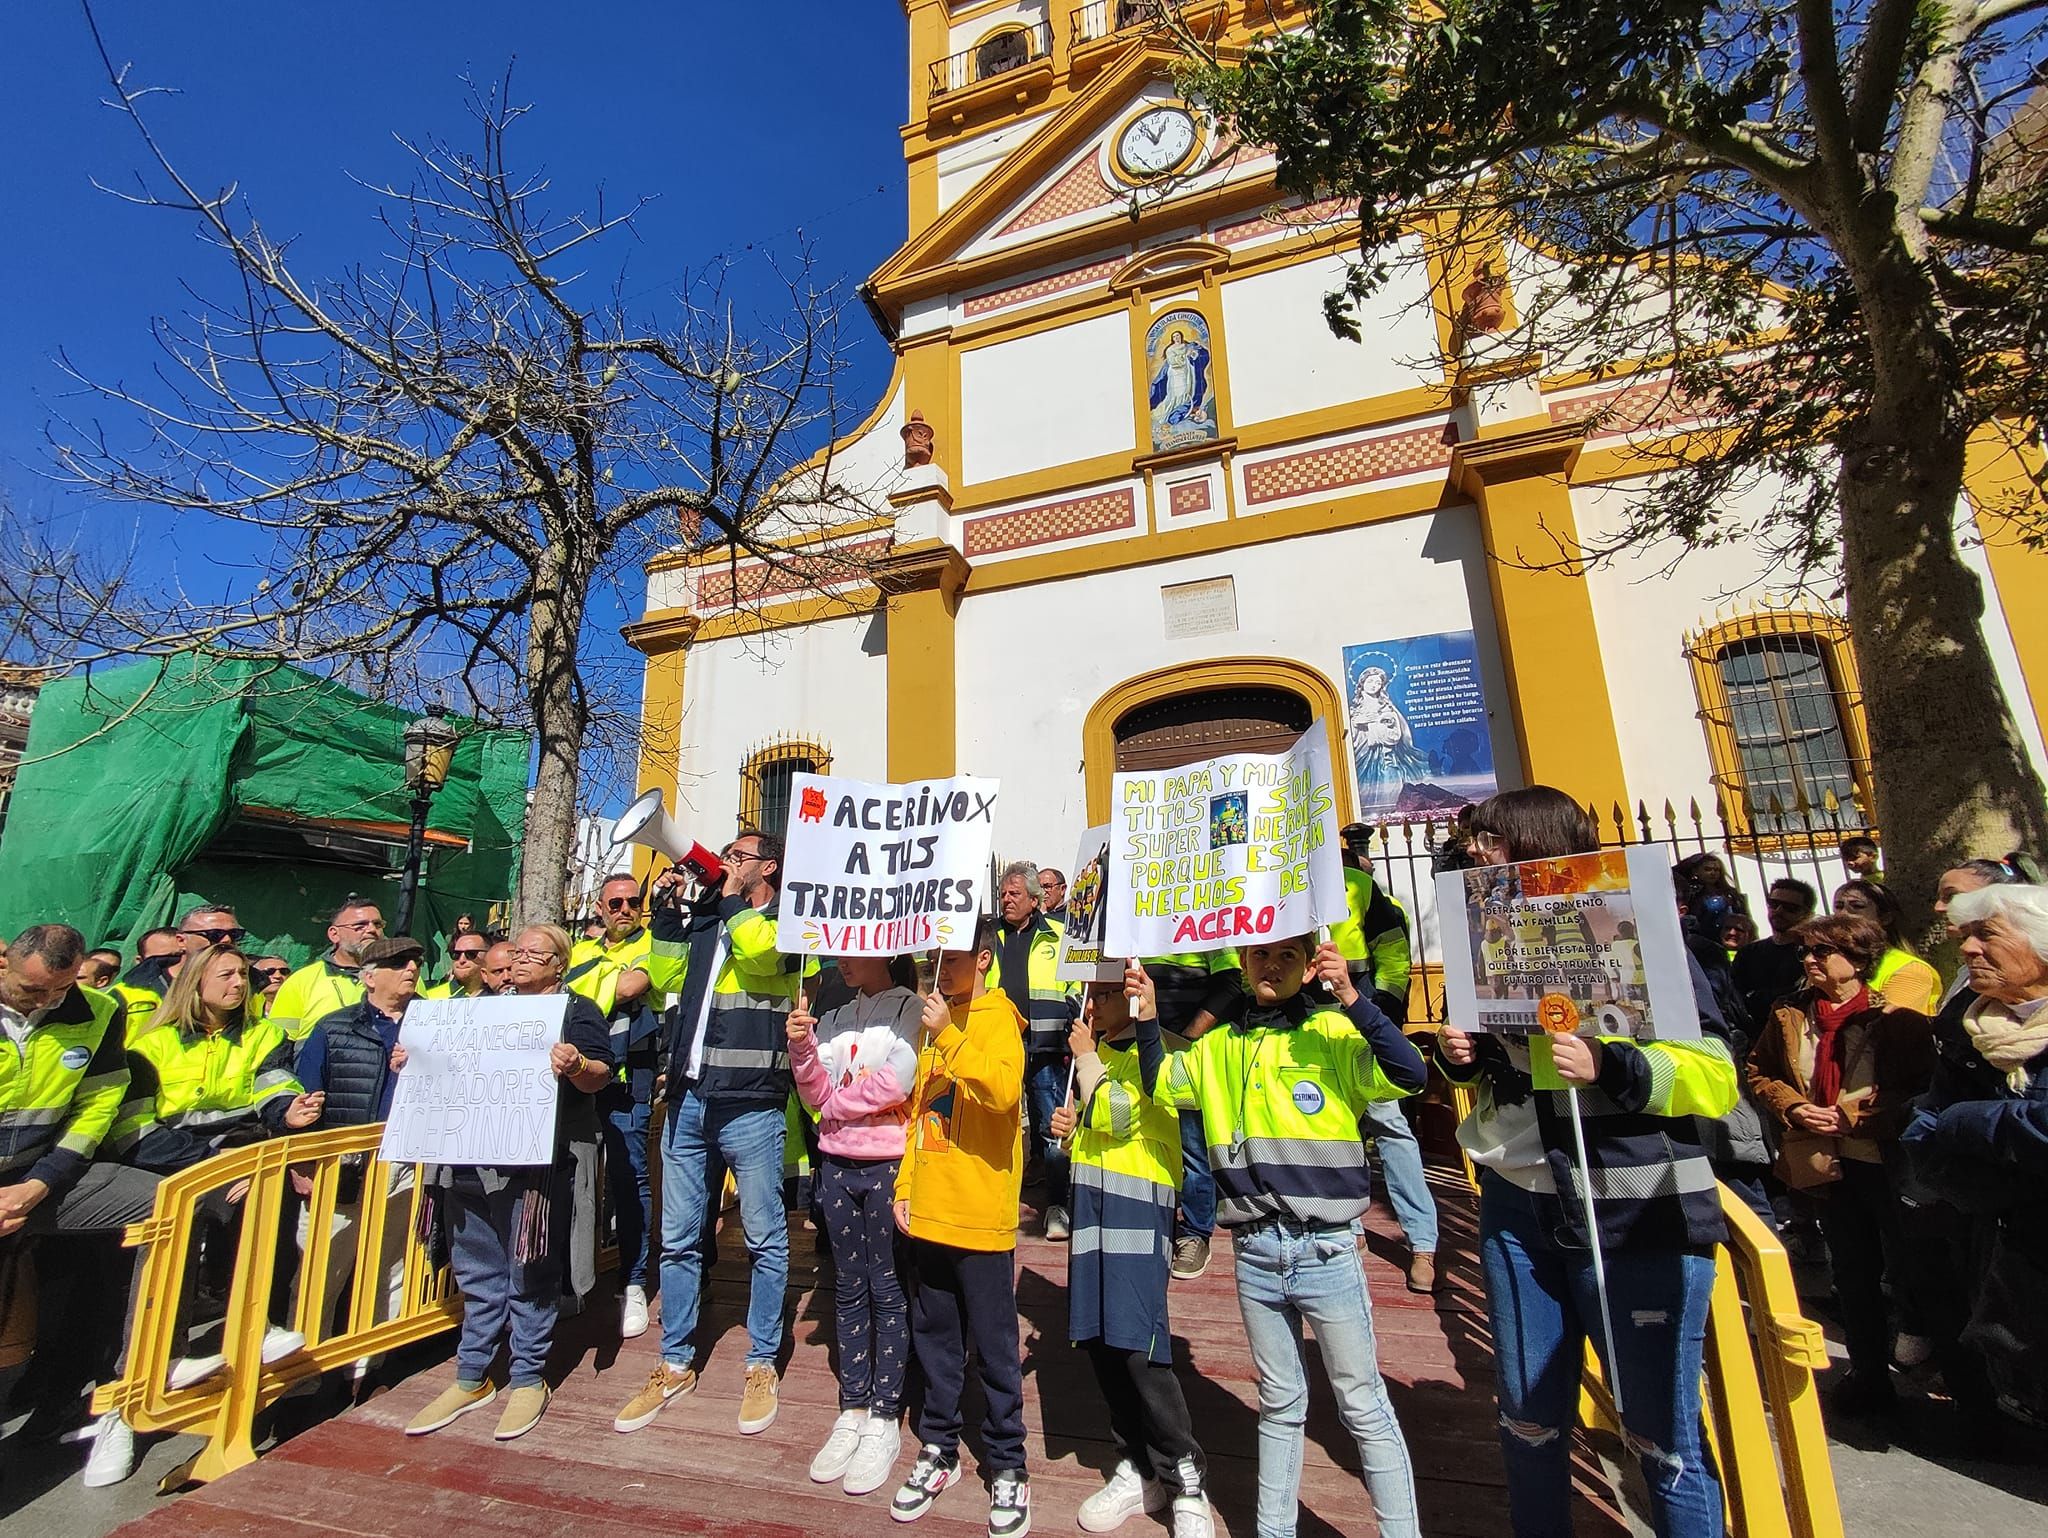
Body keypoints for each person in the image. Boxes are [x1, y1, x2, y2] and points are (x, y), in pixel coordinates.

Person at [1437, 786, 1739, 1538]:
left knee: (1661, 1439)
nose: (1475, 852)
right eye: (1474, 841)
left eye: (1492, 839)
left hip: (1633, 1214)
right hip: (1516, 1205)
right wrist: (1464, 1060)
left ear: (1537, 843)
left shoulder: (1637, 930)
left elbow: (1717, 1077)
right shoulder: (1485, 938)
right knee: (1528, 1420)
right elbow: (1503, 1083)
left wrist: (1614, 1066)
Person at [1159, 934, 1425, 1538]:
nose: (1271, 966)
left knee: (1361, 1405)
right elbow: (1164, 1082)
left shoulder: (1331, 1032)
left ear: (1309, 968)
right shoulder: (1220, 1044)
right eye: (1260, 955)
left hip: (1327, 1248)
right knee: (1279, 1405)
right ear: (1244, 963)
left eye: (1287, 957)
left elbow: (1407, 1074)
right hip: (1254, 1251)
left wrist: (1354, 998)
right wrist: (1147, 1014)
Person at [615, 831, 806, 1439]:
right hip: (689, 1101)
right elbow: (665, 980)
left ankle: (761, 1362)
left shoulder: (786, 919)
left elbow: (758, 954)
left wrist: (725, 899)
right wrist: (671, 918)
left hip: (751, 1104)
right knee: (677, 1238)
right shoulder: (709, 918)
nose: (726, 865)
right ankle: (674, 1360)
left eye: (739, 858)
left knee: (764, 1238)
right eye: (723, 857)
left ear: (768, 867)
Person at [403, 924, 615, 1442]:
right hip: (467, 1157)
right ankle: (472, 1374)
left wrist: (578, 1063)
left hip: (535, 1163)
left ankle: (527, 1376)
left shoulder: (576, 1010)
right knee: (475, 1268)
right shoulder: (474, 1008)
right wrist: (413, 1062)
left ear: (557, 964)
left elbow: (602, 1073)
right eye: (514, 953)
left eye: (531, 954)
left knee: (529, 1268)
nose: (518, 961)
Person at [112, 944, 325, 1389]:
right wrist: (216, 1164)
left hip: (240, 1149)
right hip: (173, 1155)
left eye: (242, 976)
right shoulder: (149, 1044)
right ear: (194, 985)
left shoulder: (263, 1035)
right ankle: (160, 1359)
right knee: (179, 1233)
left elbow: (273, 1086)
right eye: (226, 975)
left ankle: (255, 1327)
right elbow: (133, 1133)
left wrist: (289, 1111)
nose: (238, 984)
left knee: (265, 1210)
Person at [1745, 914, 1934, 1414]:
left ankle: (1966, 1391)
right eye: (1805, 952)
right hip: (1827, 1165)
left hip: (1887, 1163)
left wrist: (1854, 1116)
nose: (1808, 960)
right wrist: (1792, 1105)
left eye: (1821, 952)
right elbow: (1759, 1071)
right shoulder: (1790, 1013)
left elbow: (1922, 1089)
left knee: (1918, 1270)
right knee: (1852, 1273)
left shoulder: (1892, 1018)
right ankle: (1868, 1376)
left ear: (1858, 960)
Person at [1051, 964, 1211, 1538]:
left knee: (1140, 1346)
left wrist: (1089, 1059)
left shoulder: (1159, 1049)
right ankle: (1137, 1467)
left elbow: (1123, 1114)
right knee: (1098, 1339)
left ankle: (1185, 1475)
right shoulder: (1091, 1054)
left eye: (1102, 992)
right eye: (1088, 992)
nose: (1089, 1003)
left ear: (1134, 993)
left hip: (1138, 1212)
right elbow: (1102, 1121)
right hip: (1093, 1210)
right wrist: (1071, 1129)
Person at [0, 923, 160, 1488]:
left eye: (59, 991)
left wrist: (39, 1184)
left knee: (165, 1205)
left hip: (40, 1181)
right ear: (5, 964)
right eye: (31, 991)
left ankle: (125, 1390)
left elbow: (96, 1106)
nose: (45, 1003)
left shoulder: (97, 1010)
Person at [887, 915, 1030, 1536]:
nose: (943, 969)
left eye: (956, 957)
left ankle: (1007, 1463)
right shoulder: (932, 1021)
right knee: (936, 1341)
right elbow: (921, 1112)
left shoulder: (1000, 1017)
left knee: (996, 1348)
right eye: (936, 958)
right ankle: (939, 1447)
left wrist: (949, 1037)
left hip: (982, 1217)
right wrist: (905, 1186)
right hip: (932, 1212)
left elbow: (1002, 1093)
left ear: (985, 958)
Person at [1901, 883, 2048, 1427]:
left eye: (1986, 935)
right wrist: (1999, 1179)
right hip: (2013, 1251)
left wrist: (1967, 1123)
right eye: (1966, 936)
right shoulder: (1974, 1025)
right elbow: (1921, 1134)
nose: (1967, 949)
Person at [787, 954, 921, 1496]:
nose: (842, 961)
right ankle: (853, 1407)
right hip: (836, 1166)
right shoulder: (834, 1014)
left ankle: (886, 1414)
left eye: (853, 951)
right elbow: (810, 1091)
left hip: (887, 1161)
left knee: (887, 1287)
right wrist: (800, 1046)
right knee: (847, 1287)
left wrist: (835, 1106)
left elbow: (898, 1081)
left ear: (884, 949)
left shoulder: (910, 1007)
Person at [294, 936, 424, 1350]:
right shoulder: (333, 1028)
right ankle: (304, 1374)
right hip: (341, 1170)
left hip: (407, 1166)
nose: (411, 969)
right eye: (398, 963)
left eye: (414, 962)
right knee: (320, 1273)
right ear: (369, 977)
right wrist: (303, 1163)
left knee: (393, 1269)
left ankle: (371, 1361)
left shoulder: (437, 1025)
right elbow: (305, 1097)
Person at [1331, 825, 1436, 1293]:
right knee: (1336, 1127)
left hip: (1362, 1014)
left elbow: (1393, 952)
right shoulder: (1277, 884)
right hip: (1310, 1026)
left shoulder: (1360, 885)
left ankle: (1423, 1243)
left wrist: (1387, 1011)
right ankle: (1349, 1228)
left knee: (1389, 1124)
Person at [565, 874, 661, 1341]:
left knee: (629, 1178)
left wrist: (592, 983)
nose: (626, 908)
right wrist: (607, 979)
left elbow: (632, 987)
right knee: (571, 1176)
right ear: (600, 910)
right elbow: (586, 992)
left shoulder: (657, 944)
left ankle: (635, 1281)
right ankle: (569, 1279)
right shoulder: (580, 952)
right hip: (575, 1080)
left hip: (629, 1079)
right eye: (615, 902)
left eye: (633, 901)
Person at [1139, 949, 1241, 1281]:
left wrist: (1188, 1037)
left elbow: (1230, 984)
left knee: (1194, 1152)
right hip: (1143, 1048)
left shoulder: (1207, 915)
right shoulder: (1142, 918)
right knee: (1149, 1141)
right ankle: (1154, 1217)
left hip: (1192, 1051)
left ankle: (1196, 1233)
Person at [989, 861, 1077, 1239]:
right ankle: (996, 1198)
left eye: (1014, 894)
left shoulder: (1060, 933)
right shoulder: (988, 935)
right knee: (996, 1125)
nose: (1006, 900)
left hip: (1045, 1046)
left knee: (1050, 1128)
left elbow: (1078, 981)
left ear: (1035, 900)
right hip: (998, 1045)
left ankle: (1057, 1206)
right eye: (1003, 894)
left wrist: (1073, 1014)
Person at [268, 897, 384, 1040]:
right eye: (360, 926)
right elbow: (277, 1044)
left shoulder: (403, 975)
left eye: (377, 924)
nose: (372, 930)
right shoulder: (301, 980)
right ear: (334, 934)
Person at [1832, 879, 1939, 1015]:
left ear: (1885, 918)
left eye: (1857, 906)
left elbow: (1893, 1027)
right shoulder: (1824, 960)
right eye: (1839, 906)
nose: (1843, 914)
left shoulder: (1909, 969)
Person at [1931, 858, 2023, 1004]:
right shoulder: (1969, 971)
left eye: (1952, 896)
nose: (1938, 908)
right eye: (1940, 898)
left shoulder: (2020, 975)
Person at [1732, 878, 1818, 1029]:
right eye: (1773, 904)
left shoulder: (1812, 954)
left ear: (1807, 914)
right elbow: (1734, 1000)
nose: (1779, 911)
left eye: (1790, 908)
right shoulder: (1748, 953)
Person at [112, 927, 184, 1039]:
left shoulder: (205, 993)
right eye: (162, 959)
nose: (173, 963)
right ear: (139, 961)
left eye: (180, 957)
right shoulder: (120, 995)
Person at [420, 931, 490, 1000]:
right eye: (456, 954)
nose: (461, 960)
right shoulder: (430, 998)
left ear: (489, 955)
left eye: (471, 954)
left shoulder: (498, 995)